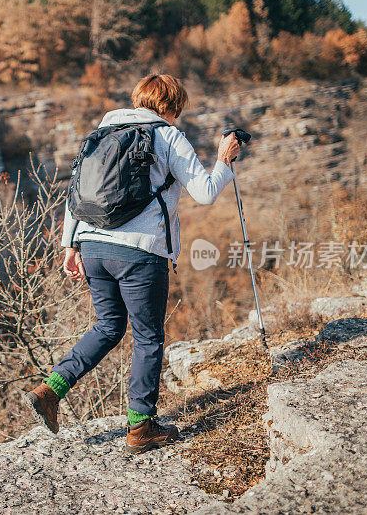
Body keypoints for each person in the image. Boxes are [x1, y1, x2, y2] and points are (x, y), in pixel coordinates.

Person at [24, 73, 240, 453]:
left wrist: (70, 246)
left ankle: (50, 390)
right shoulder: (168, 136)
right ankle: (141, 427)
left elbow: (76, 194)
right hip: (139, 252)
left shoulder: (99, 135)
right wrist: (223, 160)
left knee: (108, 326)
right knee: (148, 337)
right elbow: (205, 193)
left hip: (91, 246)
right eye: (177, 108)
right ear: (170, 106)